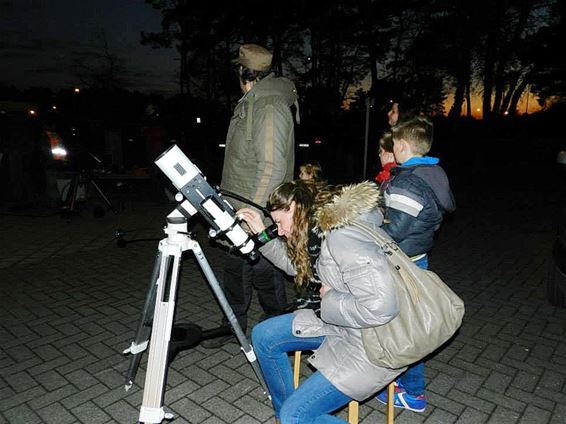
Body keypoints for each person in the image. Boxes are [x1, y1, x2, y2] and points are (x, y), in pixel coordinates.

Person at [238, 180, 403, 423]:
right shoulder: (316, 233)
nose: (280, 231)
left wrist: (330, 297)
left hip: (371, 342)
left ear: (294, 207)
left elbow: (381, 308)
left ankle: (291, 418)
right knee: (264, 336)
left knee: (295, 416)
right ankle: (286, 417)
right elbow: (297, 268)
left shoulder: (342, 237)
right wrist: (261, 233)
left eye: (279, 223)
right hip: (339, 321)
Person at [203, 43, 299, 348]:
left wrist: (253, 214)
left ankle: (278, 328)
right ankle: (233, 326)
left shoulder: (269, 106)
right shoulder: (253, 101)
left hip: (256, 211)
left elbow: (272, 165)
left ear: (243, 71)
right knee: (235, 269)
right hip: (240, 209)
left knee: (266, 271)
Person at [376, 115, 456, 412]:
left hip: (402, 265)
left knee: (408, 331)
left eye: (394, 144)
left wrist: (364, 232)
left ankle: (414, 394)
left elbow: (395, 230)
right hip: (416, 259)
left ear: (404, 146)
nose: (391, 149)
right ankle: (399, 379)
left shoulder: (409, 182)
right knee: (403, 326)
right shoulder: (429, 172)